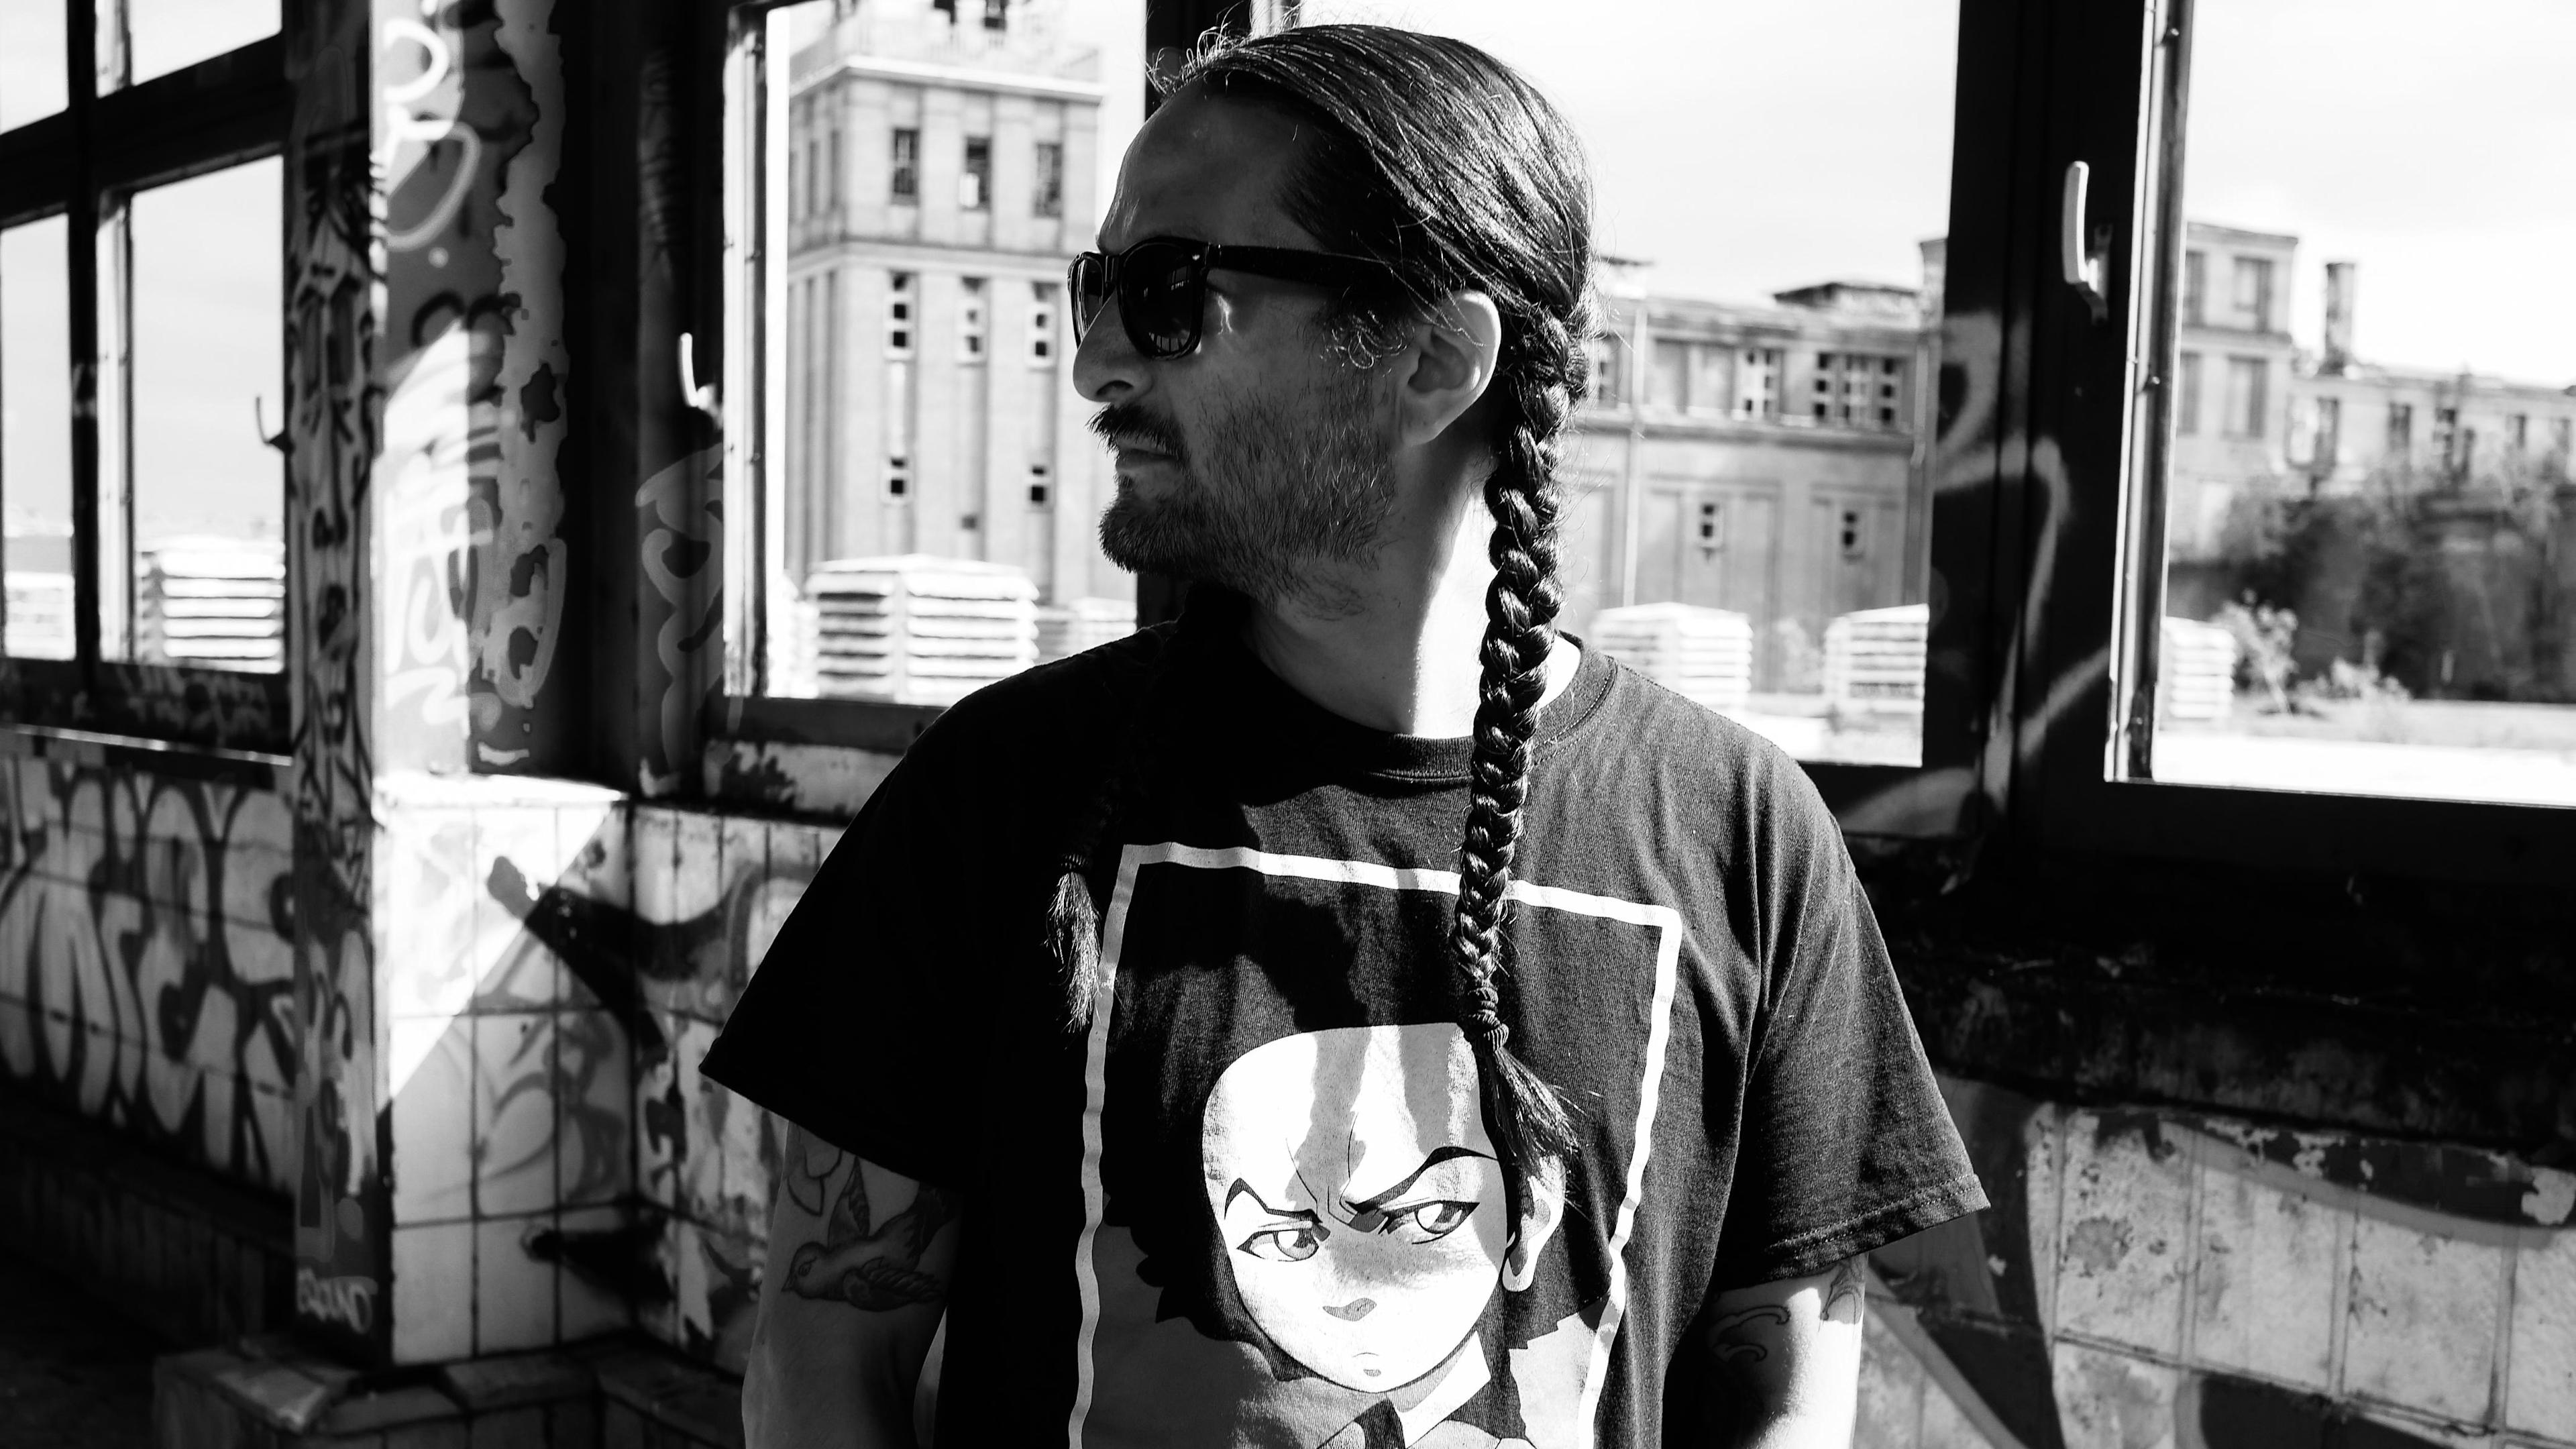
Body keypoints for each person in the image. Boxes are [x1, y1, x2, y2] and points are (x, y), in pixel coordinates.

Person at [703, 23, 1984, 1448]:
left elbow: (1782, 1398)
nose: (1098, 362)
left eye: (1169, 292)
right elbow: (825, 1362)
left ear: (1433, 358)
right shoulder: (1001, 792)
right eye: (1096, 289)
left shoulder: (1739, 837)